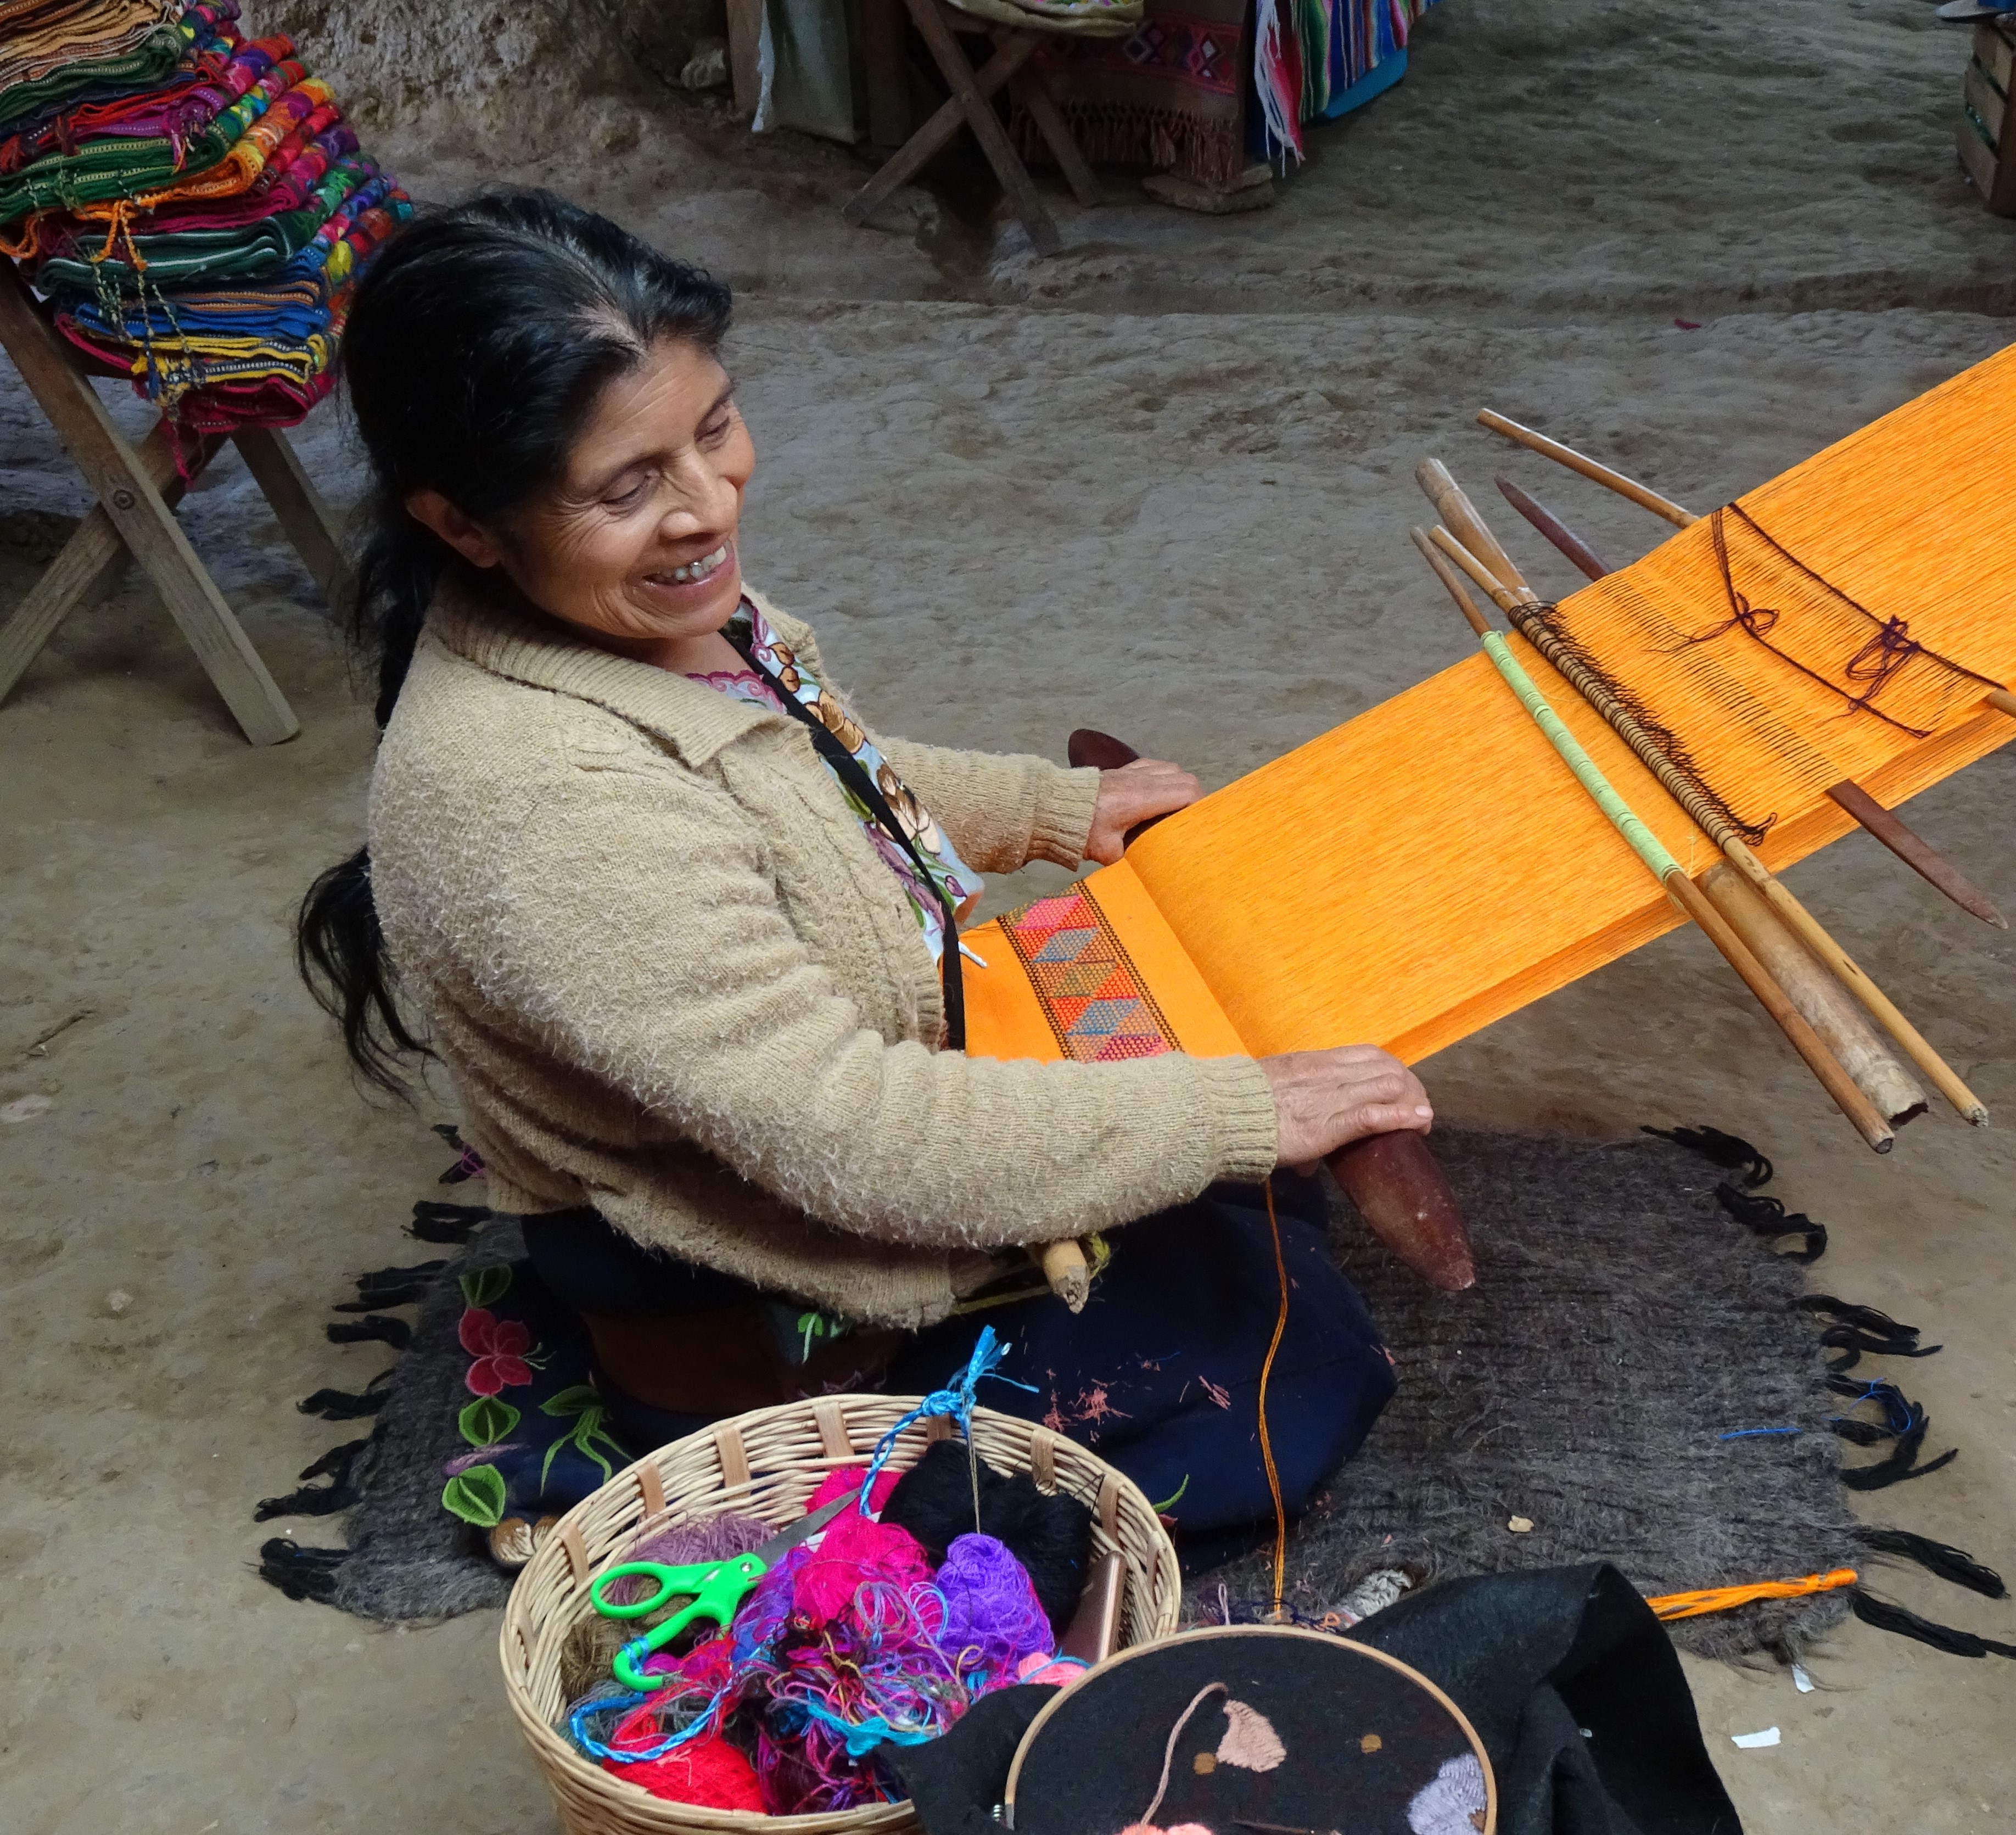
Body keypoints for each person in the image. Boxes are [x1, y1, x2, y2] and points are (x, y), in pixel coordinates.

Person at [299, 189, 1435, 1552]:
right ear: (465, 525)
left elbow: (814, 768)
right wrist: (1235, 1115)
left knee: (1223, 1151)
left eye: (712, 428)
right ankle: (804, 1452)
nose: (707, 505)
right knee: (1287, 1379)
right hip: (755, 1249)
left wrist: (1049, 809)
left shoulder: (686, 623)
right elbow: (851, 1139)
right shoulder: (538, 801)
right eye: (626, 486)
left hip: (802, 1115)